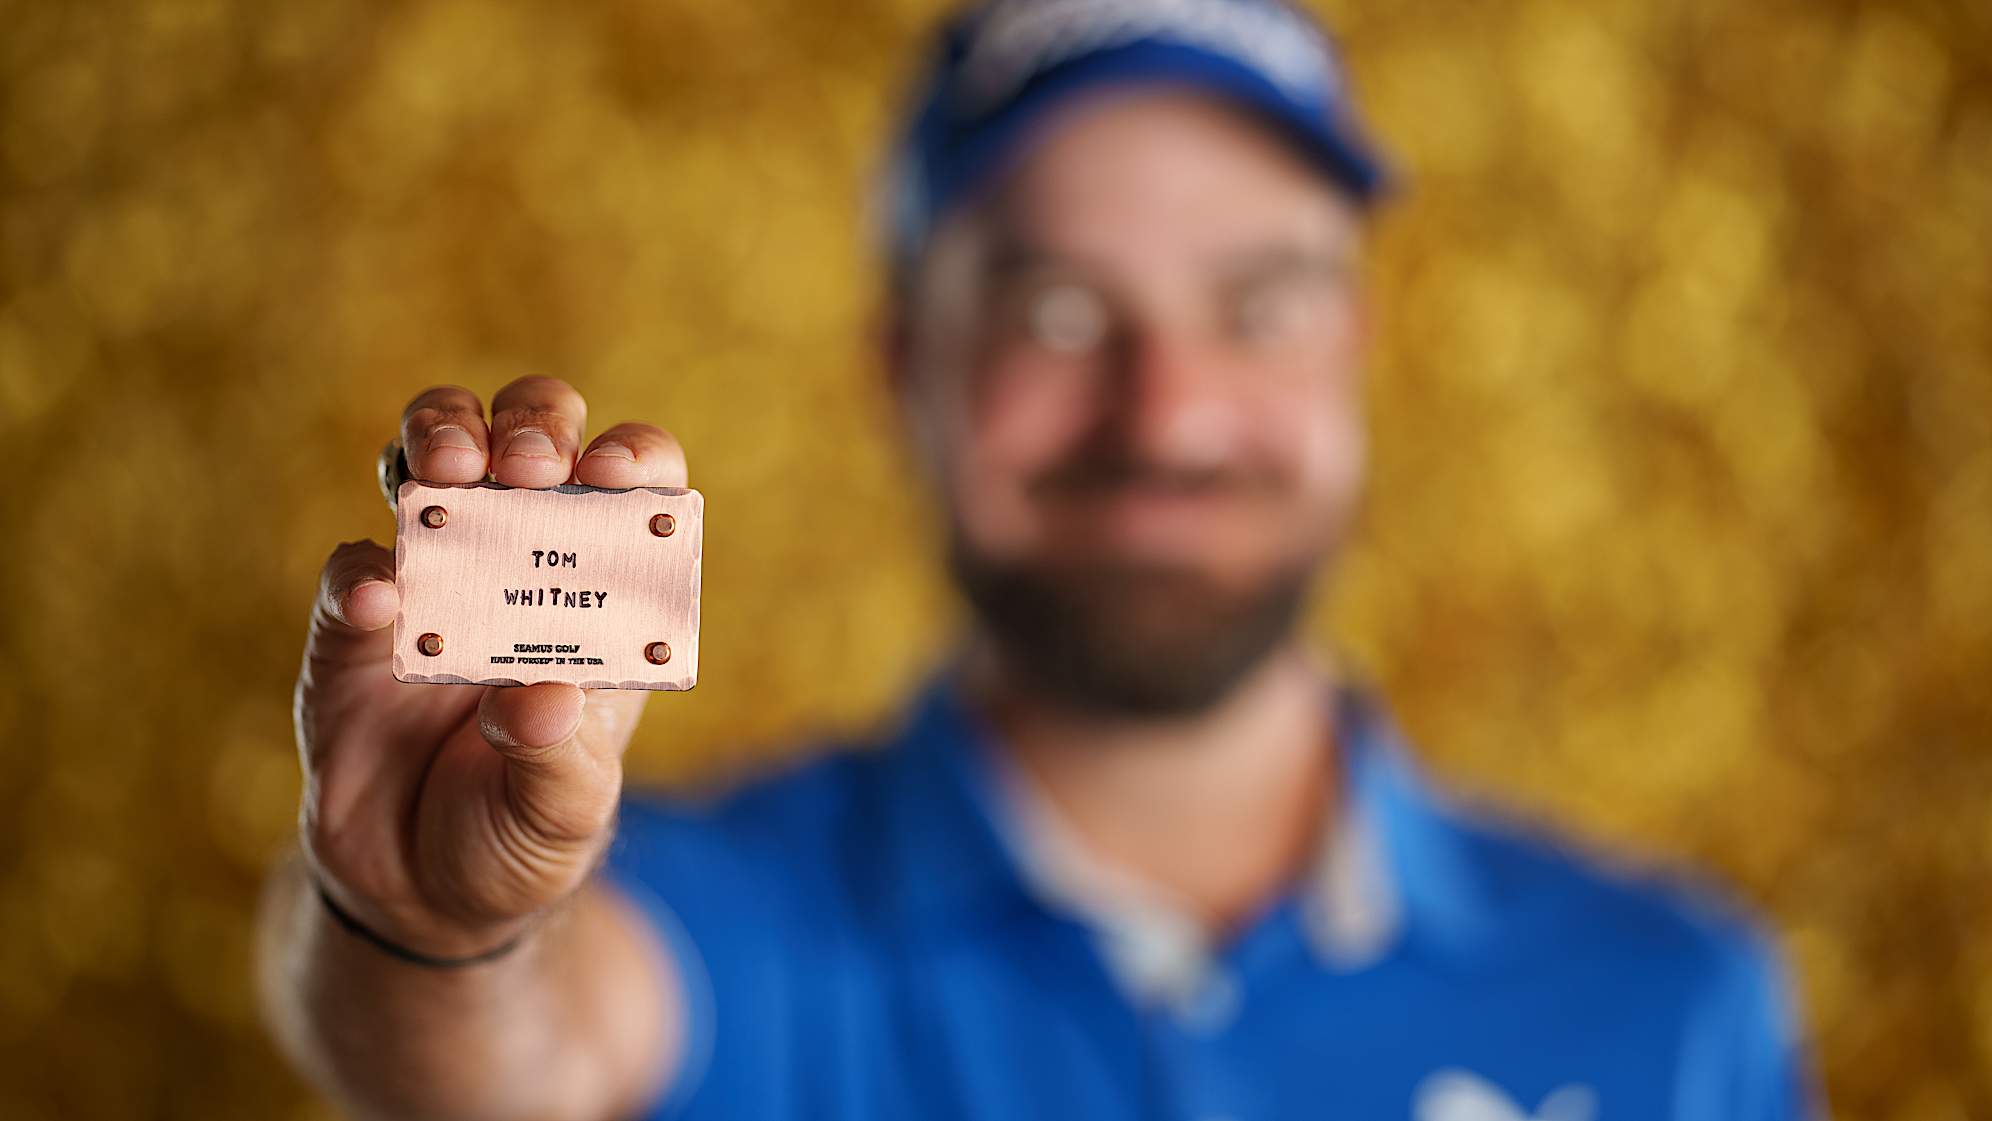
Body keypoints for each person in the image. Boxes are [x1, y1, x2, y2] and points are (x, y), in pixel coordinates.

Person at [257, 1, 1820, 1119]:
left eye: (1260, 303)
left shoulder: (1677, 1005)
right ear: (904, 369)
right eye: (1057, 310)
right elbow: (517, 1049)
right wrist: (434, 932)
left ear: (1357, 348)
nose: (1169, 411)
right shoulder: (701, 914)